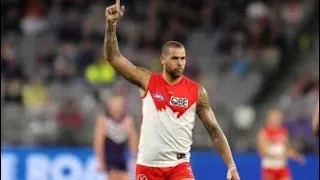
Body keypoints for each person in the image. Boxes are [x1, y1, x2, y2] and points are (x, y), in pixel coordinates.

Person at [104, 1, 240, 180]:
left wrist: (231, 166)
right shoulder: (148, 81)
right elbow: (113, 57)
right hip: (148, 166)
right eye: (175, 58)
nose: (180, 62)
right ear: (162, 59)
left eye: (183, 58)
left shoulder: (197, 92)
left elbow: (214, 130)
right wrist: (111, 25)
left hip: (179, 166)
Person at [94, 95, 138, 180]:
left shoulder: (128, 120)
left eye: (120, 106)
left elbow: (132, 144)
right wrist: (100, 161)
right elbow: (98, 142)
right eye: (116, 105)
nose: (118, 108)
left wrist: (131, 132)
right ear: (110, 106)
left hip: (121, 158)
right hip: (109, 158)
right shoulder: (103, 120)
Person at [257, 108, 305, 180]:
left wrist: (296, 156)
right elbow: (261, 151)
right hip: (269, 167)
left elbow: (287, 149)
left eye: (278, 119)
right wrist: (275, 154)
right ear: (269, 119)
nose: (277, 121)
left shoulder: (283, 132)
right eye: (274, 119)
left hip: (282, 167)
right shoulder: (264, 132)